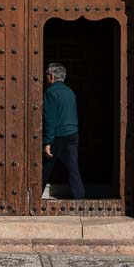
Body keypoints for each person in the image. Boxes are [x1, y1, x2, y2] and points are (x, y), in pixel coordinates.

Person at [41, 62, 85, 200]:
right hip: (73, 134)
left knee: (45, 168)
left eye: (47, 75)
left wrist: (47, 142)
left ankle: (34, 199)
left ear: (52, 76)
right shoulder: (70, 92)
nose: (46, 77)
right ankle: (80, 198)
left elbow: (50, 119)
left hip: (58, 135)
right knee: (73, 168)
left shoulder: (51, 92)